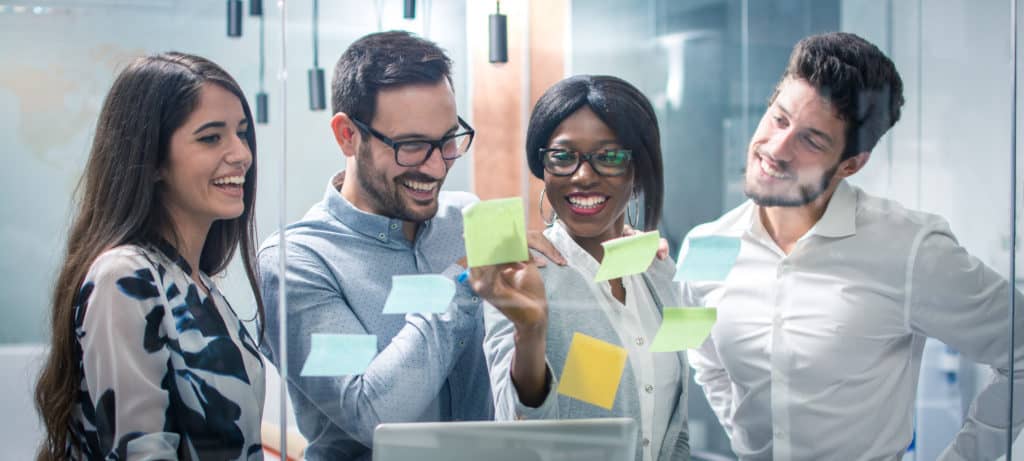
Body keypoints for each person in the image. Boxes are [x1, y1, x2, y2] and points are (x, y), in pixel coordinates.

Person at [681, 31, 1024, 460]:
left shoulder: (911, 249)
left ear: (851, 164)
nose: (776, 149)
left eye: (811, 140)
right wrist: (744, 435)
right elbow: (703, 355)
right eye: (779, 119)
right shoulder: (704, 246)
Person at [258, 31, 504, 460]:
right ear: (347, 135)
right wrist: (464, 282)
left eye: (448, 139)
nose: (436, 166)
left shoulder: (468, 219)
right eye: (411, 146)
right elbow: (373, 412)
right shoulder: (296, 262)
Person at [34, 52, 266, 460]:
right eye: (212, 137)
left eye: (242, 133)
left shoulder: (197, 283)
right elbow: (142, 452)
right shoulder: (125, 277)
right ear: (153, 160)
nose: (241, 153)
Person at [471, 75, 689, 461]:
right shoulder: (522, 274)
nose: (583, 175)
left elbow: (675, 426)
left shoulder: (658, 270)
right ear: (543, 166)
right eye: (563, 156)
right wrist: (531, 330)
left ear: (638, 169)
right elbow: (516, 430)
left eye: (609, 156)